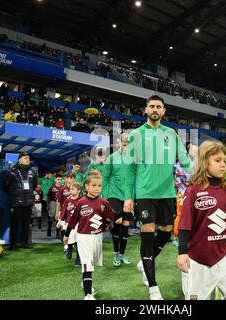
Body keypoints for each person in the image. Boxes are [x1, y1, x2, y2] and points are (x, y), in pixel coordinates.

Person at [123, 95, 195, 300]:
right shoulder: (136, 135)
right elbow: (129, 168)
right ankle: (153, 288)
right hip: (145, 194)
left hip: (167, 194)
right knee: (147, 233)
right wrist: (129, 196)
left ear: (164, 111)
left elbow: (185, 161)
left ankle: (145, 261)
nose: (155, 109)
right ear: (145, 110)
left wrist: (198, 176)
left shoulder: (171, 134)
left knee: (165, 234)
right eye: (151, 106)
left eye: (158, 107)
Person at [177, 141, 226, 300]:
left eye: (224, 161)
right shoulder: (193, 190)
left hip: (225, 257)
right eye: (217, 160)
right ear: (204, 162)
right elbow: (184, 224)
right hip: (198, 260)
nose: (223, 165)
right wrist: (182, 253)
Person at [64, 174, 115, 300]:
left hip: (98, 237)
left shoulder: (104, 202)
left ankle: (85, 282)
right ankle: (88, 295)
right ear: (86, 187)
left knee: (92, 264)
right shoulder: (81, 202)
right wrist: (66, 235)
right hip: (83, 237)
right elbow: (72, 221)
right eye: (94, 185)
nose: (97, 188)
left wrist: (113, 221)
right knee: (87, 264)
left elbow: (110, 217)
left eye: (99, 186)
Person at [103, 133, 133, 266]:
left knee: (126, 225)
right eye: (124, 144)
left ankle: (122, 254)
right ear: (119, 143)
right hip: (114, 195)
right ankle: (115, 253)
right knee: (119, 222)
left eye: (128, 145)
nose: (126, 147)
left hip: (128, 196)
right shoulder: (111, 158)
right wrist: (105, 197)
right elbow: (105, 178)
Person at [4, 153, 38, 250]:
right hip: (16, 202)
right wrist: (14, 195)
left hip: (28, 202)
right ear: (19, 159)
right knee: (14, 223)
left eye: (29, 158)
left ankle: (25, 243)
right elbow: (6, 185)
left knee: (26, 224)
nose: (28, 159)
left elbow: (34, 185)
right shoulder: (12, 171)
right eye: (25, 158)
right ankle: (13, 243)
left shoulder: (32, 172)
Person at [61, 182, 83, 264]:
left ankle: (78, 258)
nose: (71, 190)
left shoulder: (82, 200)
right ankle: (69, 250)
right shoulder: (67, 200)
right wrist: (61, 221)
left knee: (79, 241)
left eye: (73, 189)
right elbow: (64, 212)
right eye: (70, 189)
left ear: (79, 191)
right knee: (70, 240)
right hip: (69, 223)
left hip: (79, 224)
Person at [55, 173, 75, 239]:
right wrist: (57, 213)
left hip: (72, 211)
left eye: (73, 178)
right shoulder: (62, 189)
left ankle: (70, 240)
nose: (72, 180)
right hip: (63, 211)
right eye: (70, 178)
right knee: (63, 227)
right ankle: (63, 237)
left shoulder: (76, 189)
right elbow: (58, 202)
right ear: (66, 179)